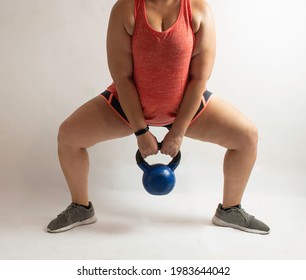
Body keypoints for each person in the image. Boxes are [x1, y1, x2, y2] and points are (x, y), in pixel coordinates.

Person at [47, 0, 270, 234]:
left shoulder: (198, 9)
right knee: (69, 135)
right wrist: (141, 131)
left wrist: (178, 132)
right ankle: (81, 207)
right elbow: (122, 77)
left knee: (247, 136)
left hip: (186, 107)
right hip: (127, 107)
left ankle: (230, 210)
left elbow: (199, 78)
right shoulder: (126, 9)